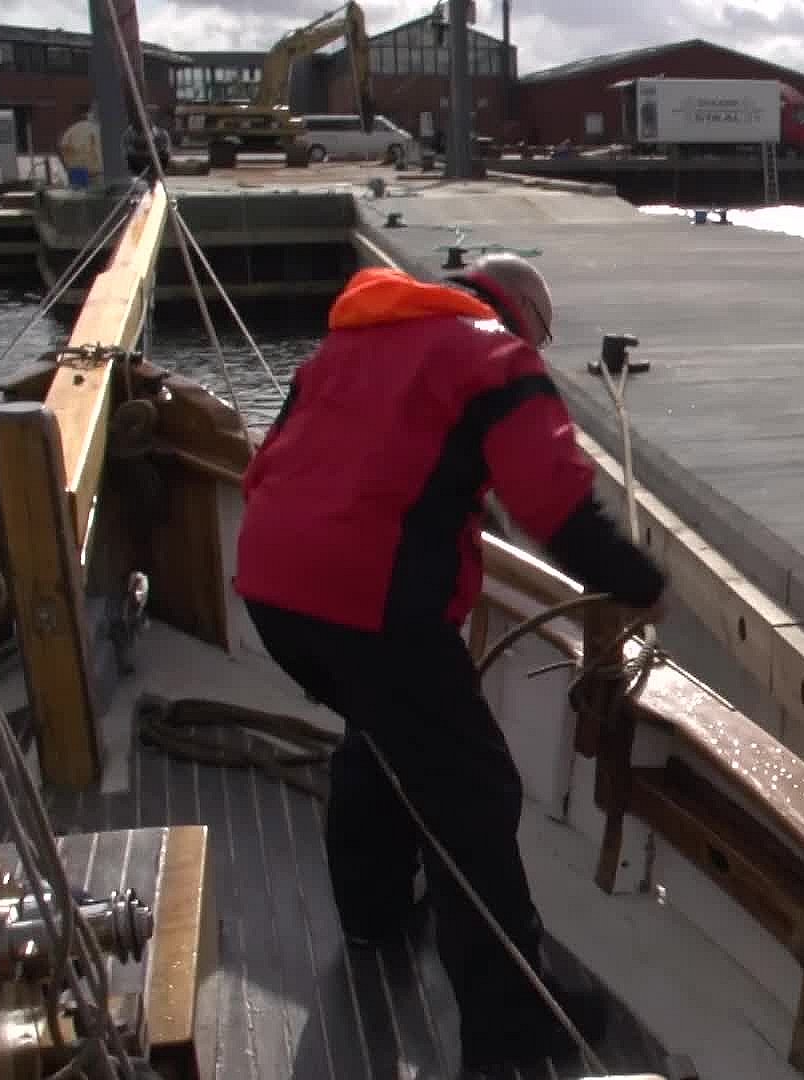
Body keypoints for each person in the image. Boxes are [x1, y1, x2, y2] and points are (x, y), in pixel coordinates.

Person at [234, 254, 669, 1073]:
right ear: (523, 315)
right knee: (474, 799)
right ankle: (511, 1038)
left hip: (270, 590)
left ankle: (371, 914)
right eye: (541, 334)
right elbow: (555, 507)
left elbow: (272, 467)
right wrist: (638, 582)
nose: (537, 347)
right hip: (370, 609)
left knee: (383, 731)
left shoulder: (339, 350)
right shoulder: (492, 356)